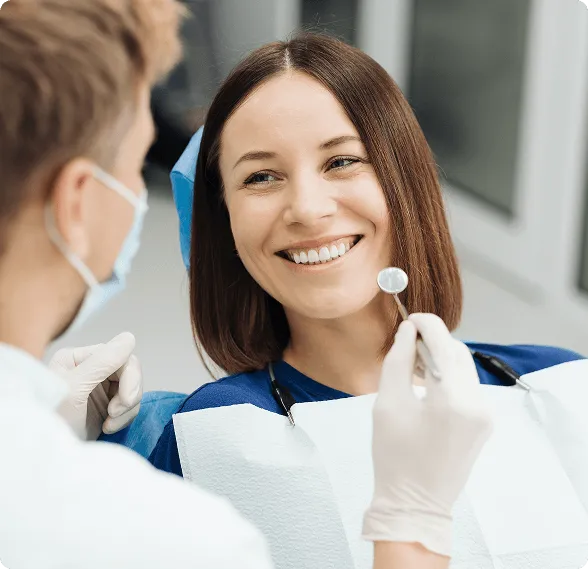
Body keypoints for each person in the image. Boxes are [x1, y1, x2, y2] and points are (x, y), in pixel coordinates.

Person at [0, 2, 492, 568]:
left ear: (408, 179)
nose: (308, 209)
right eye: (260, 176)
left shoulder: (559, 383)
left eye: (342, 162)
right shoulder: (183, 448)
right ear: (223, 223)